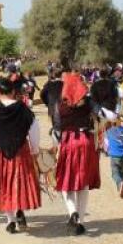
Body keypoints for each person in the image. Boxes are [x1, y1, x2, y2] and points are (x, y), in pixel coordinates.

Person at [0, 78, 41, 234]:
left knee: (3, 184)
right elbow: (34, 128)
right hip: (20, 151)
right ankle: (20, 211)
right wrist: (35, 149)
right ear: (13, 92)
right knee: (20, 183)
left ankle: (10, 220)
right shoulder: (23, 109)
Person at [53, 71, 100, 235]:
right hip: (85, 142)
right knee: (83, 183)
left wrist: (56, 147)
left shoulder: (60, 104)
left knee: (66, 181)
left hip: (67, 143)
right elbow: (102, 114)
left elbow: (57, 128)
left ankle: (72, 211)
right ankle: (80, 221)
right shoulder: (88, 102)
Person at [106, 119, 123, 198]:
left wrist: (107, 151)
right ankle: (120, 189)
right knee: (121, 171)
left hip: (114, 155)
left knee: (115, 173)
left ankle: (120, 184)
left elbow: (106, 143)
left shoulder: (109, 131)